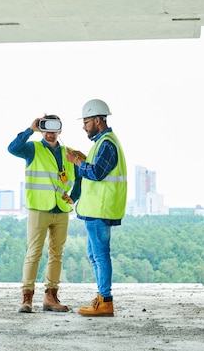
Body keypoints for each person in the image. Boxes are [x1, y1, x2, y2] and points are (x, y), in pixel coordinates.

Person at [8, 114, 82, 313]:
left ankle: (51, 296)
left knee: (56, 254)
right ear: (42, 129)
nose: (50, 134)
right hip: (39, 209)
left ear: (60, 130)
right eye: (45, 129)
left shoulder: (70, 152)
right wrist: (30, 129)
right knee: (34, 253)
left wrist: (74, 196)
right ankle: (27, 298)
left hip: (61, 210)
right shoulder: (32, 149)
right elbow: (12, 148)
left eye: (54, 129)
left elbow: (81, 174)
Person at [66, 99, 127, 317]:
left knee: (100, 255)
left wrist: (76, 161)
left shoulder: (107, 144)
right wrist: (82, 160)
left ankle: (105, 301)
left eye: (86, 121)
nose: (84, 126)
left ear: (98, 120)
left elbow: (96, 173)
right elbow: (96, 169)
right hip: (95, 210)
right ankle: (102, 297)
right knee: (94, 255)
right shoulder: (102, 143)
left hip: (100, 210)